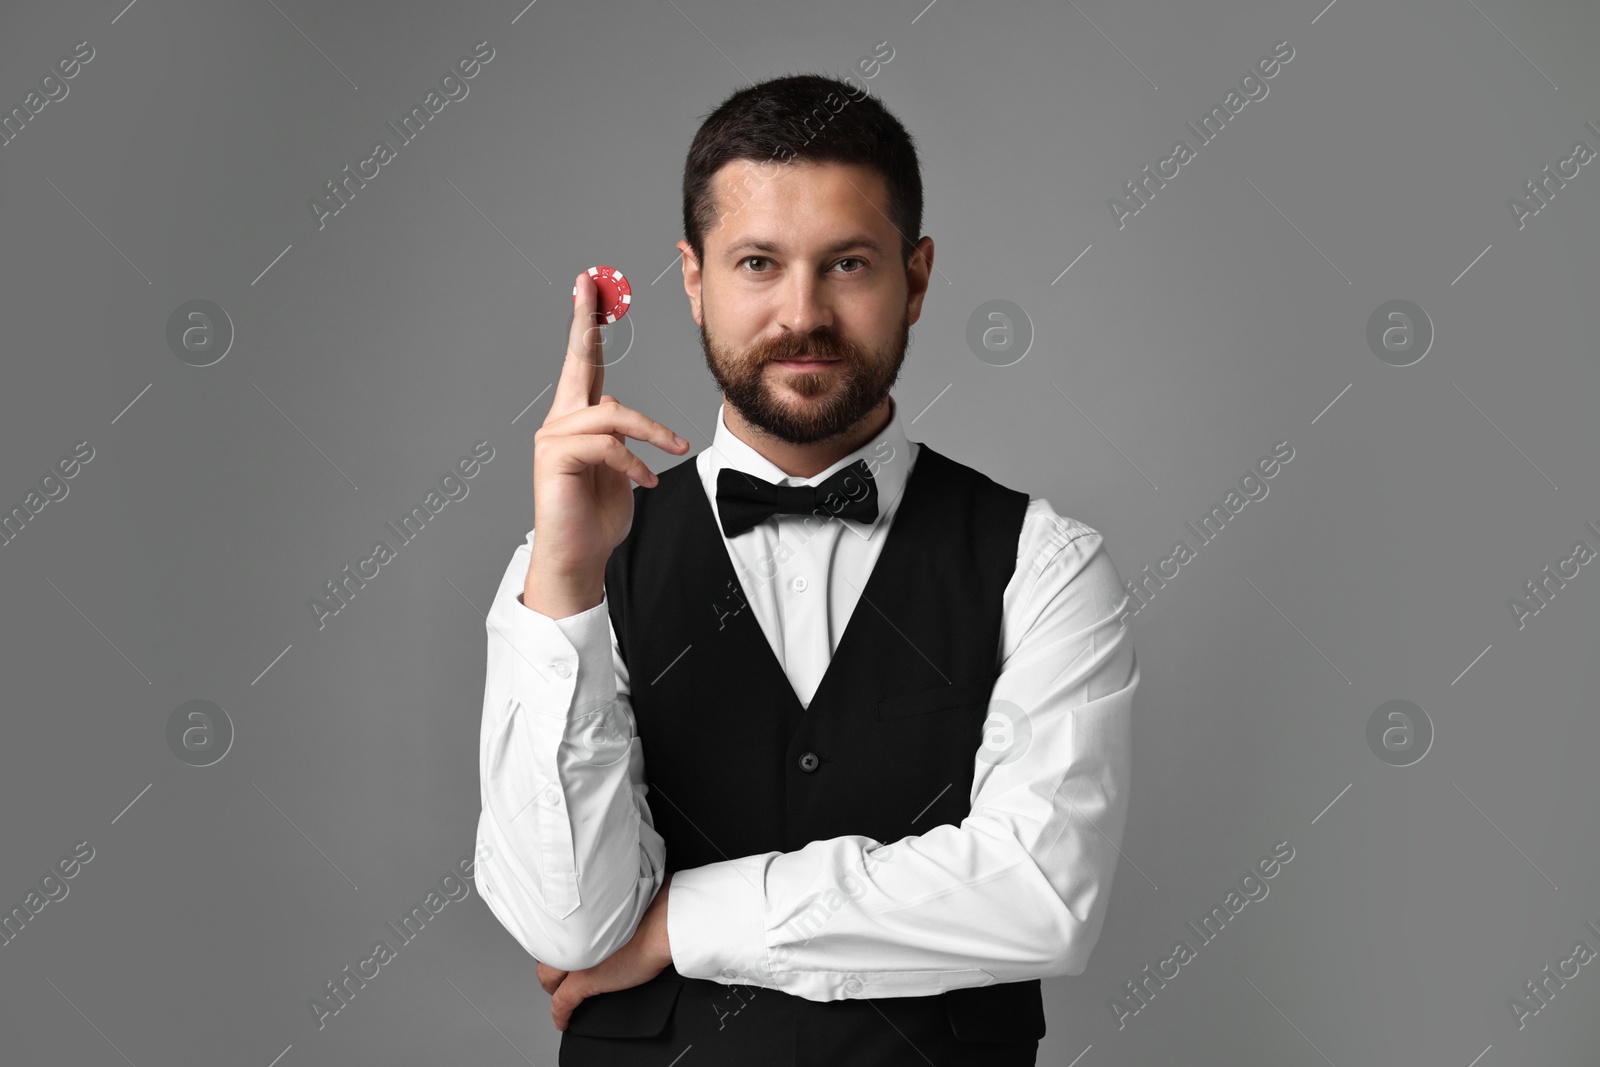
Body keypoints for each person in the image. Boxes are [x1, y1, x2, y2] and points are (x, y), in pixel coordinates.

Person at [475, 72, 1139, 1066]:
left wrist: (679, 924)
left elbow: (1039, 895)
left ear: (914, 278)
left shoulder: (1039, 561)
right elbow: (568, 925)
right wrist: (567, 587)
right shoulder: (566, 573)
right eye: (756, 263)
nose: (802, 314)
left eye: (847, 264)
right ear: (693, 280)